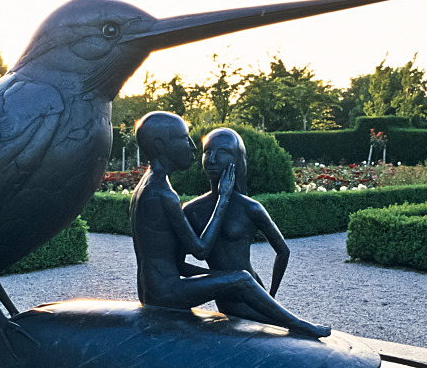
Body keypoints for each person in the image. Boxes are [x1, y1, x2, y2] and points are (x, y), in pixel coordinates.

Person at [131, 112, 330, 337]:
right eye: (185, 138)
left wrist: (221, 280)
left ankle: (286, 319)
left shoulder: (148, 185)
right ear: (161, 144)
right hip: (165, 293)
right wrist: (223, 199)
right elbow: (200, 250)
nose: (193, 148)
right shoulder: (165, 194)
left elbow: (282, 251)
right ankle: (299, 325)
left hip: (152, 290)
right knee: (242, 279)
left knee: (239, 280)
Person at [183, 128, 328, 333]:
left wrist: (270, 295)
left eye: (222, 152)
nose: (212, 159)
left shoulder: (250, 208)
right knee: (281, 327)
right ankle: (298, 324)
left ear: (237, 159)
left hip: (252, 288)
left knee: (281, 329)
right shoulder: (192, 210)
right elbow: (178, 265)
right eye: (207, 151)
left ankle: (298, 324)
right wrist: (218, 278)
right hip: (229, 296)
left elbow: (283, 251)